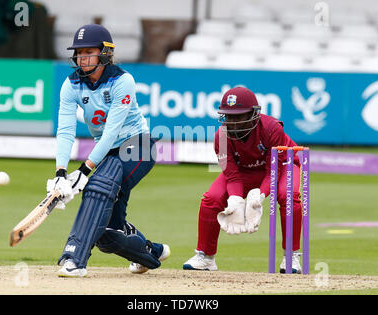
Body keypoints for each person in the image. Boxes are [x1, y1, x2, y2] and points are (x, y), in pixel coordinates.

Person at [47, 24, 170, 277]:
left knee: (97, 187)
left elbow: (112, 131)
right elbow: (66, 130)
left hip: (138, 146)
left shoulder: (122, 81)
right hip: (107, 152)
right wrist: (60, 172)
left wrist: (84, 170)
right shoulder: (71, 85)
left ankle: (74, 260)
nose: (82, 58)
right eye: (79, 53)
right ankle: (150, 252)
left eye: (88, 52)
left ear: (104, 53)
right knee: (107, 234)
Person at [182, 86, 303, 273]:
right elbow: (231, 174)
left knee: (288, 196)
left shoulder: (272, 129)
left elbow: (274, 171)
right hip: (244, 169)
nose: (232, 123)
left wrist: (259, 196)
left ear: (253, 114)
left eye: (238, 116)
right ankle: (205, 257)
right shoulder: (221, 137)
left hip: (283, 165)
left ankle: (291, 257)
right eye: (228, 117)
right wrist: (236, 199)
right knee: (211, 199)